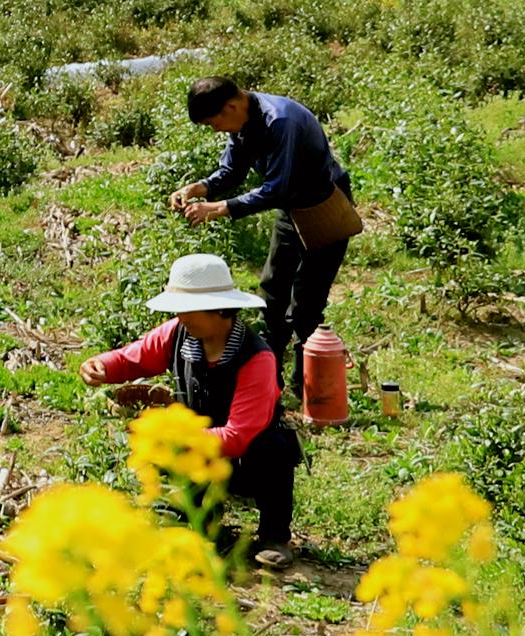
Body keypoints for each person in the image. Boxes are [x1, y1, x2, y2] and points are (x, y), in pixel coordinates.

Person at [79, 252, 303, 566]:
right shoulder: (177, 334)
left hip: (246, 459)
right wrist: (100, 365)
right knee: (192, 527)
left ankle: (274, 535)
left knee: (274, 447)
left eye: (188, 310)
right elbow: (135, 357)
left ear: (219, 310)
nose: (180, 317)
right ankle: (198, 521)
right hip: (198, 450)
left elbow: (237, 436)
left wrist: (176, 437)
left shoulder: (256, 359)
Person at [176, 76, 360, 410]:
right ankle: (266, 383)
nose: (216, 130)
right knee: (271, 295)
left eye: (214, 122)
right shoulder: (242, 123)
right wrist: (200, 188)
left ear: (231, 106)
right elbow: (231, 172)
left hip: (323, 207)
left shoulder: (281, 122)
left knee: (305, 305)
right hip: (292, 211)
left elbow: (276, 188)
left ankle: (312, 392)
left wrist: (219, 208)